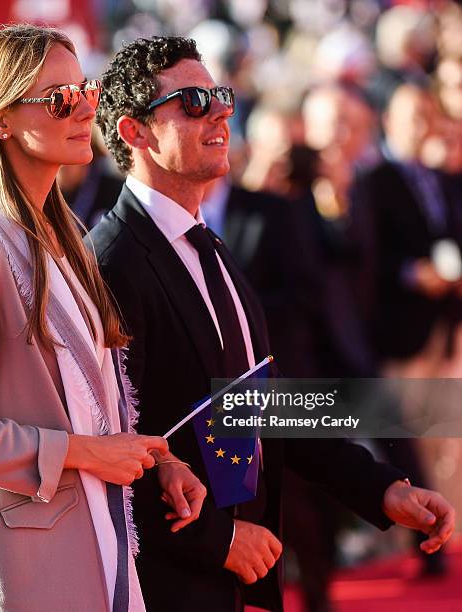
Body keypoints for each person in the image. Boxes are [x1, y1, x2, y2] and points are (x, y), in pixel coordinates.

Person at [88, 36, 456, 612]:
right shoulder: (110, 263)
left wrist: (379, 487)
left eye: (220, 95)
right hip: (169, 585)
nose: (220, 113)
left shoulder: (207, 244)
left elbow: (262, 405)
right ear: (135, 132)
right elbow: (106, 447)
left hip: (241, 576)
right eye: (192, 102)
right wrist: (220, 540)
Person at [0, 25, 205, 612]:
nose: (82, 111)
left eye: (86, 92)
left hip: (88, 538)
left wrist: (158, 457)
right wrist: (86, 453)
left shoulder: (58, 228)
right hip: (21, 564)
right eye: (60, 100)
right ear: (0, 121)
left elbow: (95, 393)